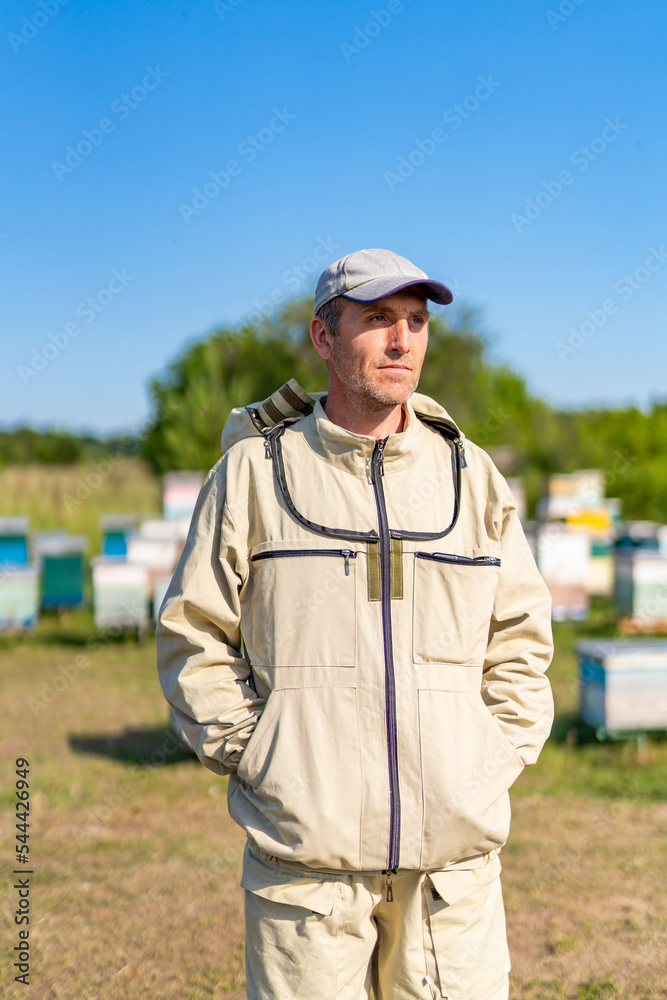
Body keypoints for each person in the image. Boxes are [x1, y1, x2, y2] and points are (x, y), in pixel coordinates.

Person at [157, 248, 554, 1000]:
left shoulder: (472, 477)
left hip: (451, 877)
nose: (402, 341)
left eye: (414, 322)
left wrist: (489, 757)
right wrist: (263, 759)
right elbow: (193, 637)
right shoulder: (250, 474)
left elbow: (521, 642)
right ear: (323, 338)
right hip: (306, 872)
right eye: (377, 321)